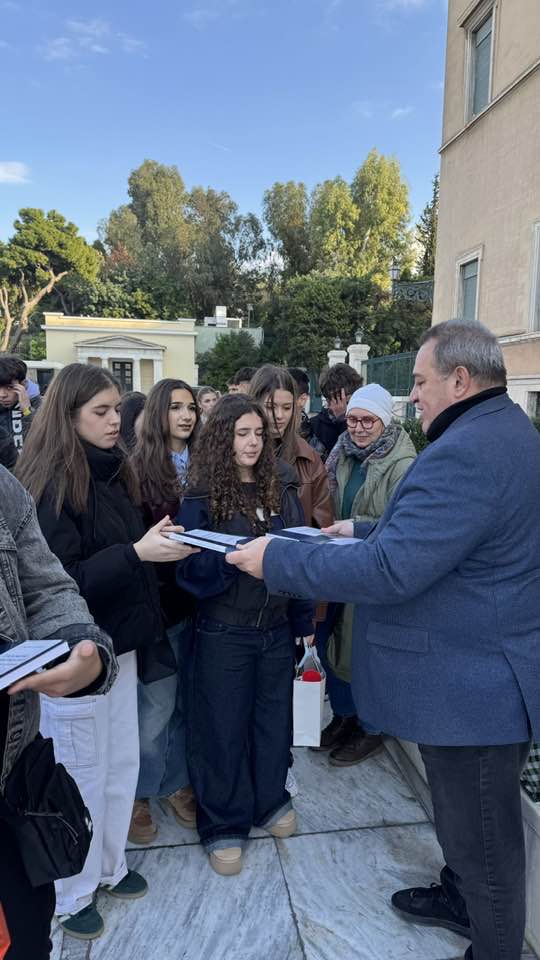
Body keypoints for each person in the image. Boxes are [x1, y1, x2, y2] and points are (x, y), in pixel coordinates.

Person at [226, 319, 540, 960]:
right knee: (465, 826)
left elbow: (393, 571)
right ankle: (460, 897)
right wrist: (362, 529)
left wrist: (278, 559)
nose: (412, 396)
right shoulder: (501, 432)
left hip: (476, 692)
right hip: (477, 679)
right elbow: (446, 537)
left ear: (460, 379)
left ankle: (493, 944)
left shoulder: (468, 451)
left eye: (420, 382)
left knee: (485, 843)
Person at [15, 363, 194, 941]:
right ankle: (71, 895)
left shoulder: (113, 471)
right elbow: (59, 584)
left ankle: (110, 866)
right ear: (68, 417)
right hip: (76, 656)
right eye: (101, 411)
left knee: (121, 765)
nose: (116, 420)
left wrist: (154, 544)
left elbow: (124, 552)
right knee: (82, 773)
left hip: (122, 644)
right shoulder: (48, 487)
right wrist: (138, 554)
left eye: (117, 408)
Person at [176, 394, 315, 876]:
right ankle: (223, 823)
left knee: (273, 723)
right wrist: (231, 562)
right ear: (223, 438)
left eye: (258, 433)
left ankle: (269, 801)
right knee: (222, 727)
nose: (253, 443)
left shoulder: (281, 487)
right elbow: (188, 571)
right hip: (224, 631)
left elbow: (299, 556)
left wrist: (304, 624)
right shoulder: (200, 495)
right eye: (242, 434)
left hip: (275, 630)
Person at [0, 466, 117, 960]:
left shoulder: (3, 488)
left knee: (27, 942)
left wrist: (80, 650)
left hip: (13, 786)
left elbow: (46, 589)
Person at [316, 383, 416, 766]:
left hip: (375, 570)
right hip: (342, 565)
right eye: (353, 419)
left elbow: (402, 525)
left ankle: (372, 728)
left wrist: (354, 527)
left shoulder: (402, 464)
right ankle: (345, 716)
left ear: (384, 421)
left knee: (364, 652)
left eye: (367, 421)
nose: (357, 428)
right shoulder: (343, 453)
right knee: (334, 643)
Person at [129, 379, 199, 843]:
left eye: (191, 407)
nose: (186, 415)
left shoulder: (207, 463)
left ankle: (174, 782)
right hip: (159, 604)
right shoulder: (136, 469)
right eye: (175, 407)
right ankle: (138, 792)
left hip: (202, 601)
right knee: (154, 706)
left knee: (184, 703)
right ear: (158, 413)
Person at [249, 365, 333, 531]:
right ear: (253, 404)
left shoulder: (309, 458)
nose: (280, 415)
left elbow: (323, 527)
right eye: (271, 407)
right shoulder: (233, 453)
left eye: (287, 407)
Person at [308, 363, 363, 461]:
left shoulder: (366, 420)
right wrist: (342, 419)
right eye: (347, 402)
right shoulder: (315, 427)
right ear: (329, 401)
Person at [0, 356, 41, 456]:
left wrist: (27, 411)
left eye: (9, 387)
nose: (2, 395)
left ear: (24, 384)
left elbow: (43, 441)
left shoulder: (39, 405)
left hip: (29, 464)